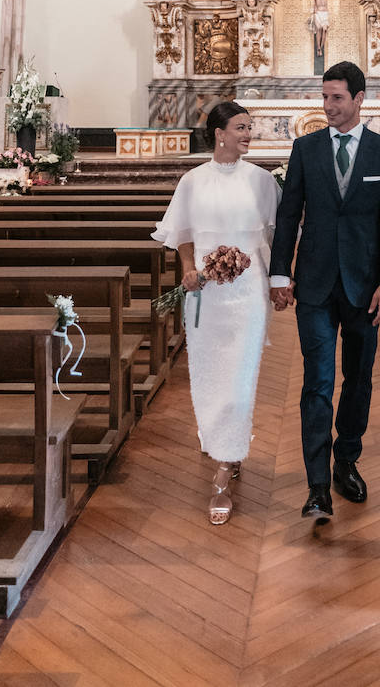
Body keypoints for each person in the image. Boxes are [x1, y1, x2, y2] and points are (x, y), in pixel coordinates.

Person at [270, 61, 380, 522]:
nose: (327, 106)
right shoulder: (305, 149)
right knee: (318, 383)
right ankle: (317, 487)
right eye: (325, 97)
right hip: (315, 283)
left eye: (337, 98)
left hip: (365, 286)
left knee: (359, 380)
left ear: (359, 98)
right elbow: (289, 215)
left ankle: (347, 459)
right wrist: (278, 274)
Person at [152, 102, 280, 525]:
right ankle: (225, 444)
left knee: (240, 380)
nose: (248, 134)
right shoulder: (192, 181)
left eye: (250, 128)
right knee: (208, 376)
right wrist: (189, 269)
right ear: (219, 133)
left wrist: (281, 280)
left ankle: (223, 470)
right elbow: (183, 233)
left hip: (248, 295)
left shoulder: (263, 181)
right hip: (206, 295)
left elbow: (279, 236)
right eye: (241, 128)